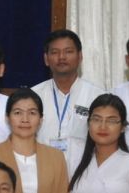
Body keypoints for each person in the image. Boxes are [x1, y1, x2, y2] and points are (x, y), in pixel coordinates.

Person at [31, 29, 104, 172]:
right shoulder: (33, 96)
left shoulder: (97, 96)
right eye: (55, 52)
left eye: (68, 51)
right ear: (46, 59)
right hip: (42, 173)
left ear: (80, 56)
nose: (62, 57)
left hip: (85, 175)